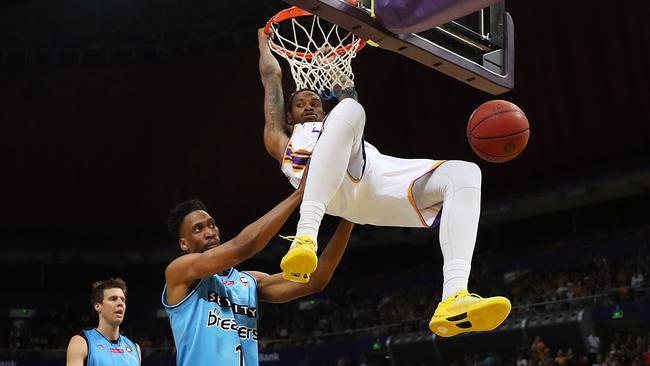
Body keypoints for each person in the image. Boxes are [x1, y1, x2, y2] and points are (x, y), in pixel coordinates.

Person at [258, 28, 510, 337]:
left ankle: (454, 297)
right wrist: (264, 46)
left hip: (376, 181)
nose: (310, 105)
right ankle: (306, 237)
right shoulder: (281, 138)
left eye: (315, 101)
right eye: (301, 103)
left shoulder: (335, 125)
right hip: (331, 192)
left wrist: (337, 72)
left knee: (465, 173)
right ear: (288, 116)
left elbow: (347, 102)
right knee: (350, 109)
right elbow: (271, 79)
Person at [162, 180, 354, 366]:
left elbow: (315, 280)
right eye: (198, 229)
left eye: (212, 224)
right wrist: (299, 194)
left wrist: (351, 217)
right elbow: (245, 246)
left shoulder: (248, 281)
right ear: (184, 243)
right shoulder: (179, 273)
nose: (210, 232)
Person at [66, 278, 140, 366]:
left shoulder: (135, 348)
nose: (120, 303)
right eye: (113, 299)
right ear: (98, 306)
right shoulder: (81, 342)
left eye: (123, 300)